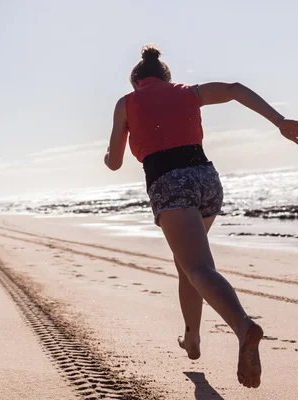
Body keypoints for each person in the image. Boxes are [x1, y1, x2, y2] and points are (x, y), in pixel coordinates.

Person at [104, 45, 298, 389]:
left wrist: (111, 151)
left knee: (198, 268)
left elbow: (115, 162)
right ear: (167, 77)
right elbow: (236, 89)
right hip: (207, 180)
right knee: (187, 264)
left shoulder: (127, 102)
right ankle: (191, 339)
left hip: (169, 183)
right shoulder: (188, 93)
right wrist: (279, 121)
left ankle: (243, 326)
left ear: (136, 81)